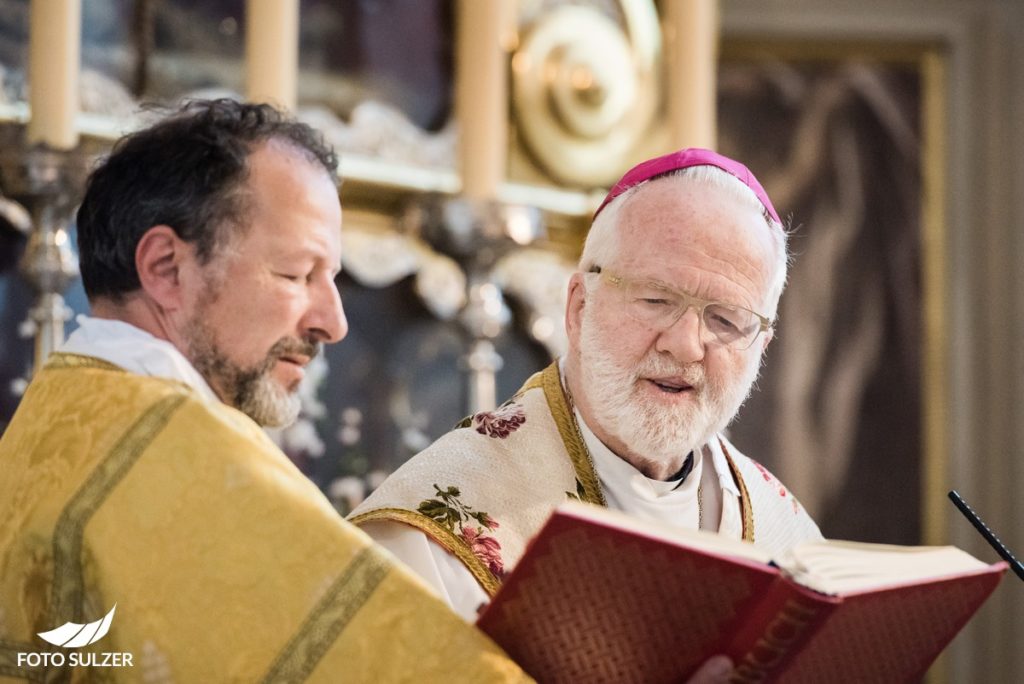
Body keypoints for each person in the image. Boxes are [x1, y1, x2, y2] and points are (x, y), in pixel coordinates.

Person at [0, 99, 529, 682]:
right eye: (298, 274)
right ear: (166, 268)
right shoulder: (187, 457)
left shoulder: (48, 426)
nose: (333, 323)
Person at [351, 149, 824, 673]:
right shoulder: (425, 544)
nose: (687, 345)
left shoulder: (790, 537)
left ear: (760, 347)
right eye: (656, 300)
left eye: (726, 320)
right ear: (578, 307)